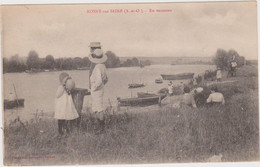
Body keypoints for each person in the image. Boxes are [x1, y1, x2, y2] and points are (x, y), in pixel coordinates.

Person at [89, 48, 108, 133]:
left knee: (99, 109)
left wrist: (93, 88)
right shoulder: (103, 66)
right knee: (96, 108)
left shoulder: (97, 68)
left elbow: (99, 81)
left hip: (96, 91)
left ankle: (101, 129)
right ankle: (98, 127)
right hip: (100, 90)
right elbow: (106, 79)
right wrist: (102, 86)